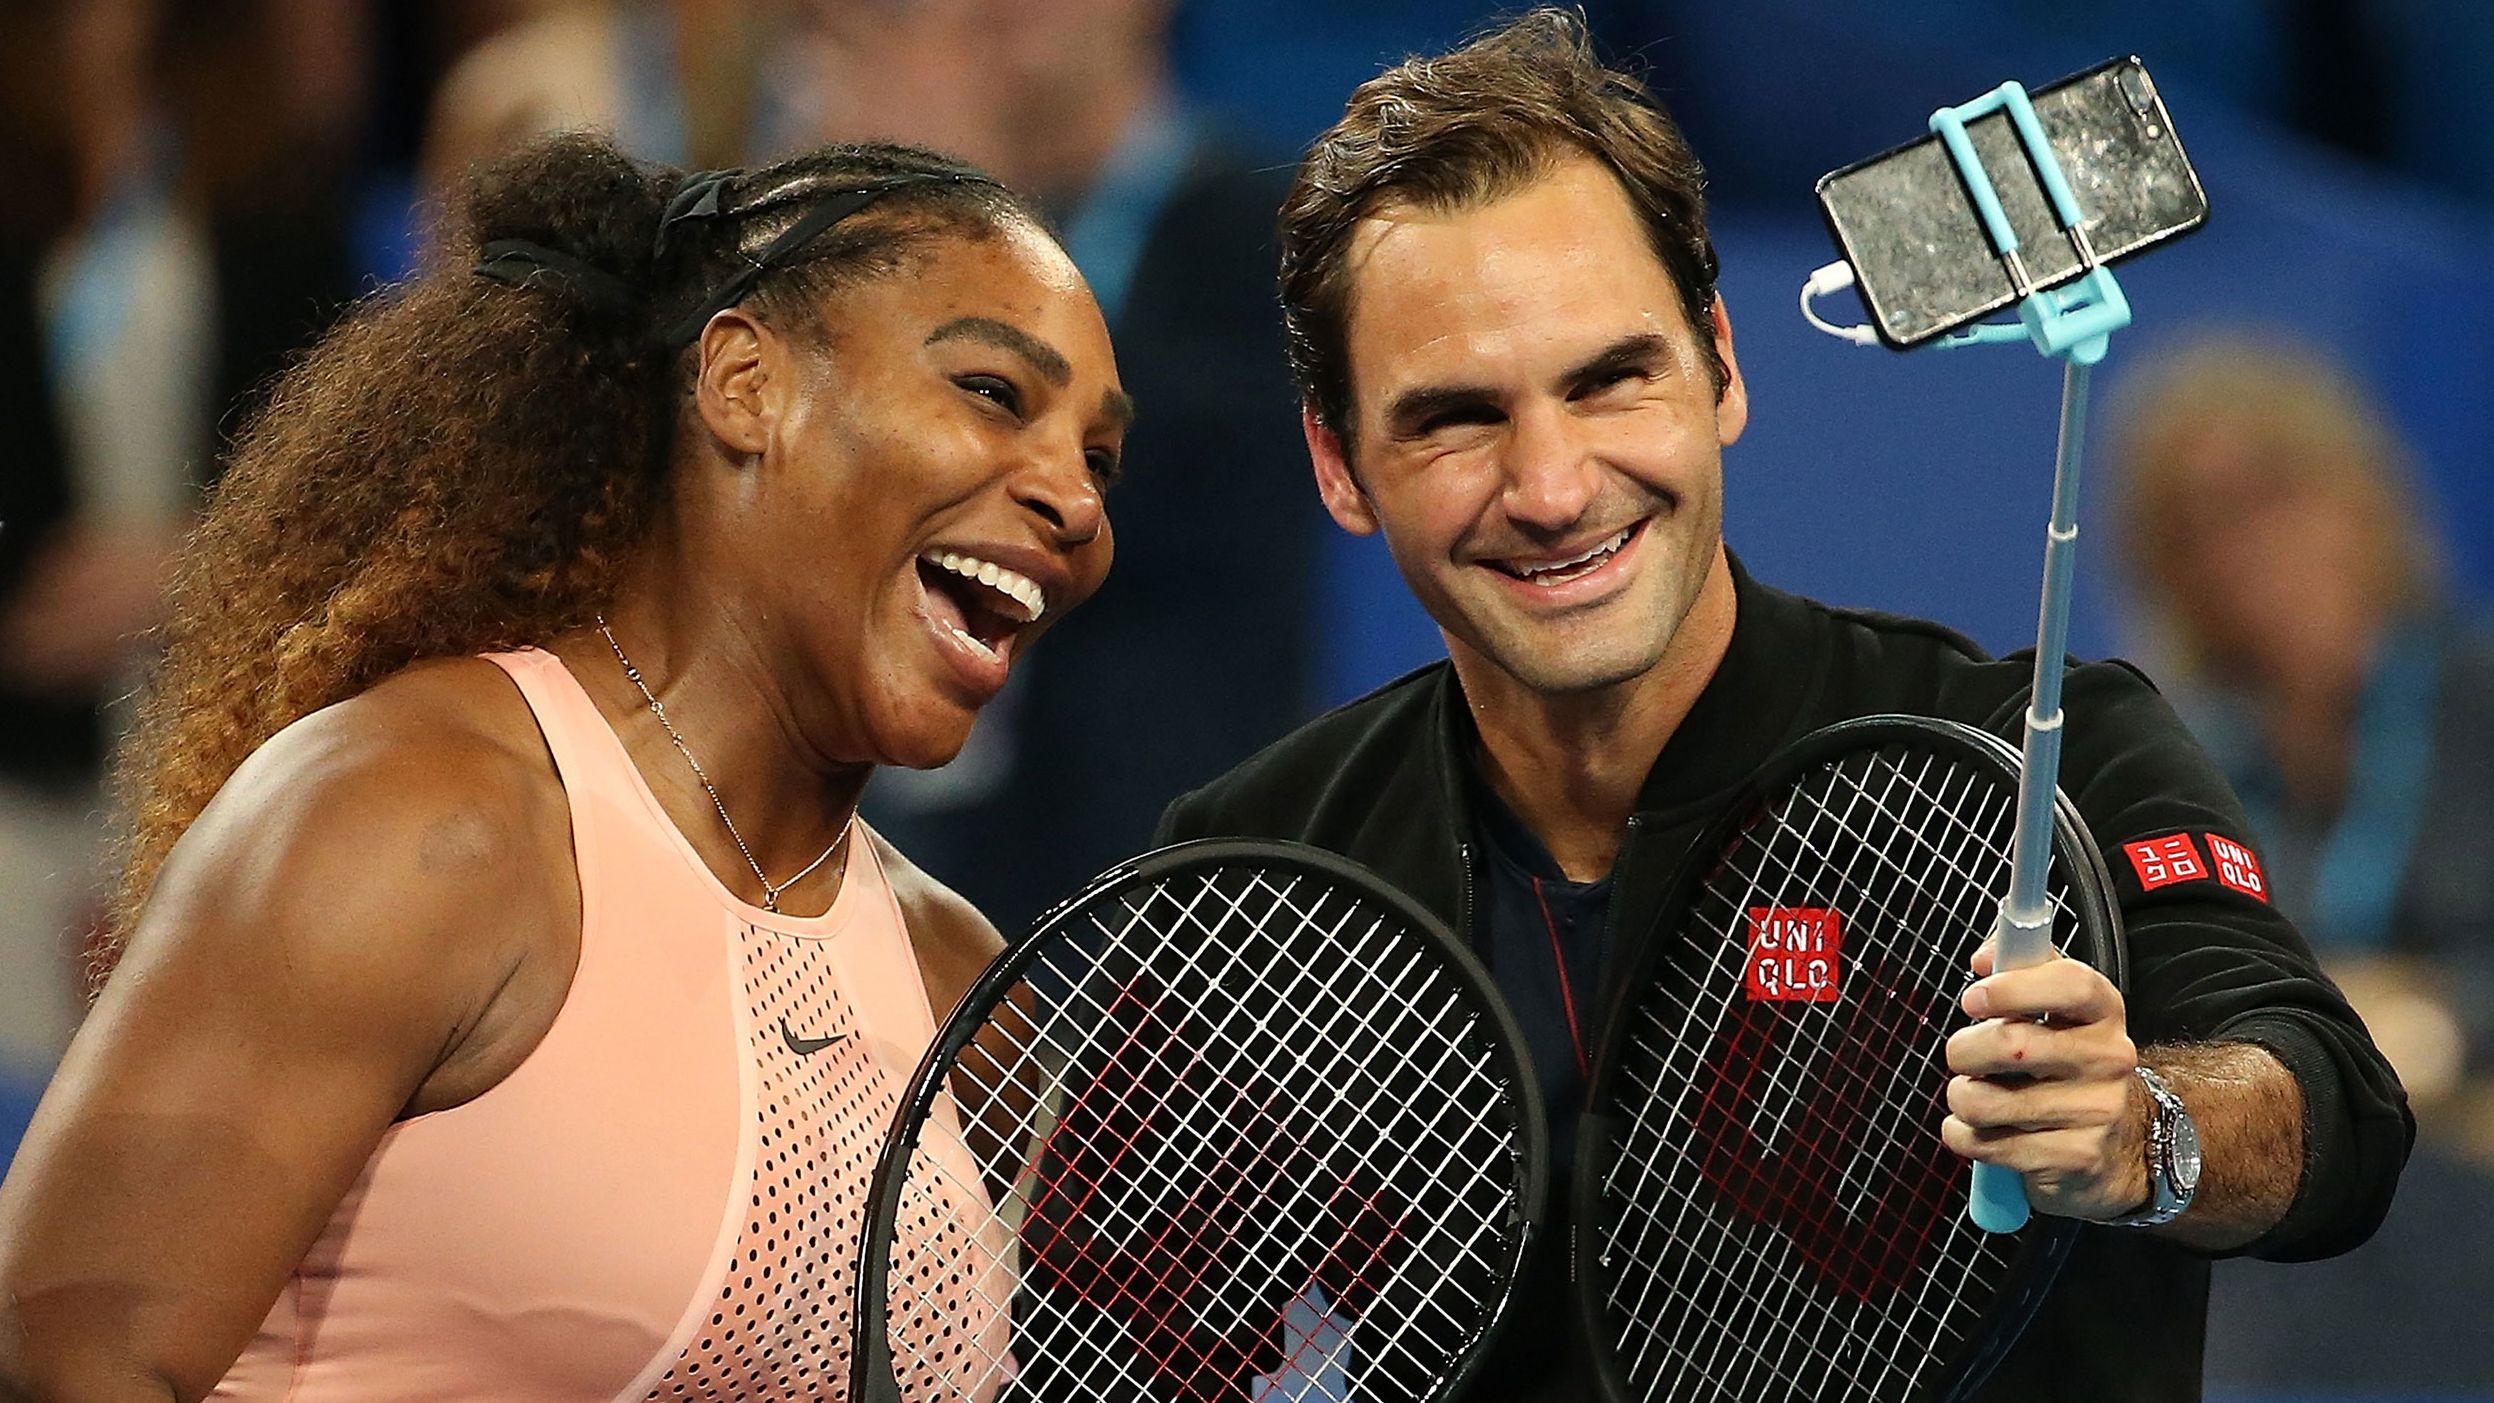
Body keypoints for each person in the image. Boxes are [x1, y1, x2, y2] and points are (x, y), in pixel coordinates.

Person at [1154, 12, 2412, 1401]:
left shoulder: (2049, 756)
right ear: (1339, 464)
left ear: (1719, 367)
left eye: (1608, 377)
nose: (1553, 485)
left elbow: (2324, 1112)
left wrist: (2141, 1133)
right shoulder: (1249, 870)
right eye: (1454, 414)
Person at [0, 130, 1129, 1400]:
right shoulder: (420, 816)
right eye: (993, 392)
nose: (1074, 502)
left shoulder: (957, 984)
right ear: (745, 382)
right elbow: (63, 1362)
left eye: (1100, 456)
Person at [814, 0, 1324, 937]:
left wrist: (948, 231)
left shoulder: (1267, 233)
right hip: (885, 887)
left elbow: (1109, 501)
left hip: (1168, 934)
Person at [2110, 331, 2494, 1393]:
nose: (2245, 549)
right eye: (2197, 524)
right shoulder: (2177, 768)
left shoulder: (2474, 705)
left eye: (2272, 496)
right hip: (2277, 1304)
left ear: (2362, 496)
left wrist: (2448, 1018)